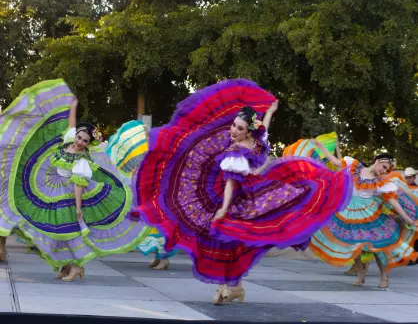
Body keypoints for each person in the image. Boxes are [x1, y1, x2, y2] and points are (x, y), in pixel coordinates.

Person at [133, 79, 353, 305]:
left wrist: (224, 209)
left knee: (237, 238)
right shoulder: (245, 146)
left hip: (244, 195)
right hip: (236, 193)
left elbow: (233, 179)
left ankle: (231, 286)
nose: (233, 130)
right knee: (227, 240)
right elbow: (253, 144)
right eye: (233, 125)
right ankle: (229, 286)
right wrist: (270, 111)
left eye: (239, 128)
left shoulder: (244, 148)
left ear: (249, 131)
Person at [0, 79, 150, 280]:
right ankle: (64, 267)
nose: (80, 142)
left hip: (70, 197)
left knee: (69, 235)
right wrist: (73, 106)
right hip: (53, 190)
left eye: (84, 141)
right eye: (79, 138)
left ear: (89, 144)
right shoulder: (68, 142)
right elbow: (71, 124)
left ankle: (77, 266)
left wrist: (78, 207)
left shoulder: (82, 160)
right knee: (55, 234)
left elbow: (79, 184)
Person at [310, 141, 418, 288]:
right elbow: (336, 162)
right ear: (378, 161)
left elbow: (394, 203)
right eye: (384, 167)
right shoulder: (353, 165)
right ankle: (361, 275)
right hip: (348, 213)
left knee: (376, 248)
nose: (384, 171)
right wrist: (321, 147)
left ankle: (383, 276)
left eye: (387, 170)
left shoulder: (381, 182)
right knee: (353, 245)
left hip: (369, 216)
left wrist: (407, 219)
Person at [105, 120, 179, 270]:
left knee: (160, 227)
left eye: (146, 135)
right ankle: (159, 258)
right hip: (147, 194)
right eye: (143, 136)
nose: (145, 138)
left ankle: (163, 259)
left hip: (158, 195)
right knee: (150, 226)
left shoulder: (158, 151)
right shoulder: (144, 152)